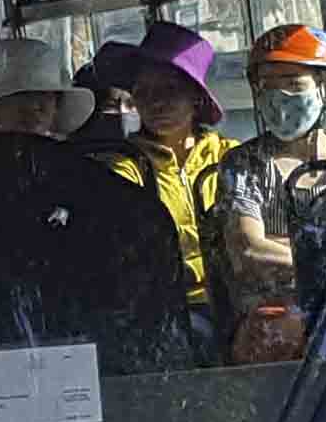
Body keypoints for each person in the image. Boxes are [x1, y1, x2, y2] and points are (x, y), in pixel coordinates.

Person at [218, 24, 326, 349]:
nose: (279, 100)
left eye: (293, 85)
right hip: (270, 317)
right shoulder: (242, 164)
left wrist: (282, 247)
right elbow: (250, 249)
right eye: (267, 87)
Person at [90, 21, 232, 352]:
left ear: (195, 98)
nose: (156, 103)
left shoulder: (229, 158)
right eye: (144, 93)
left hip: (235, 300)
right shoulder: (124, 165)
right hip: (162, 308)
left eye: (169, 91)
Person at [0, 32, 95, 140]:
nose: (33, 104)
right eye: (21, 93)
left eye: (45, 93)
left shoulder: (67, 161)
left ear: (56, 105)